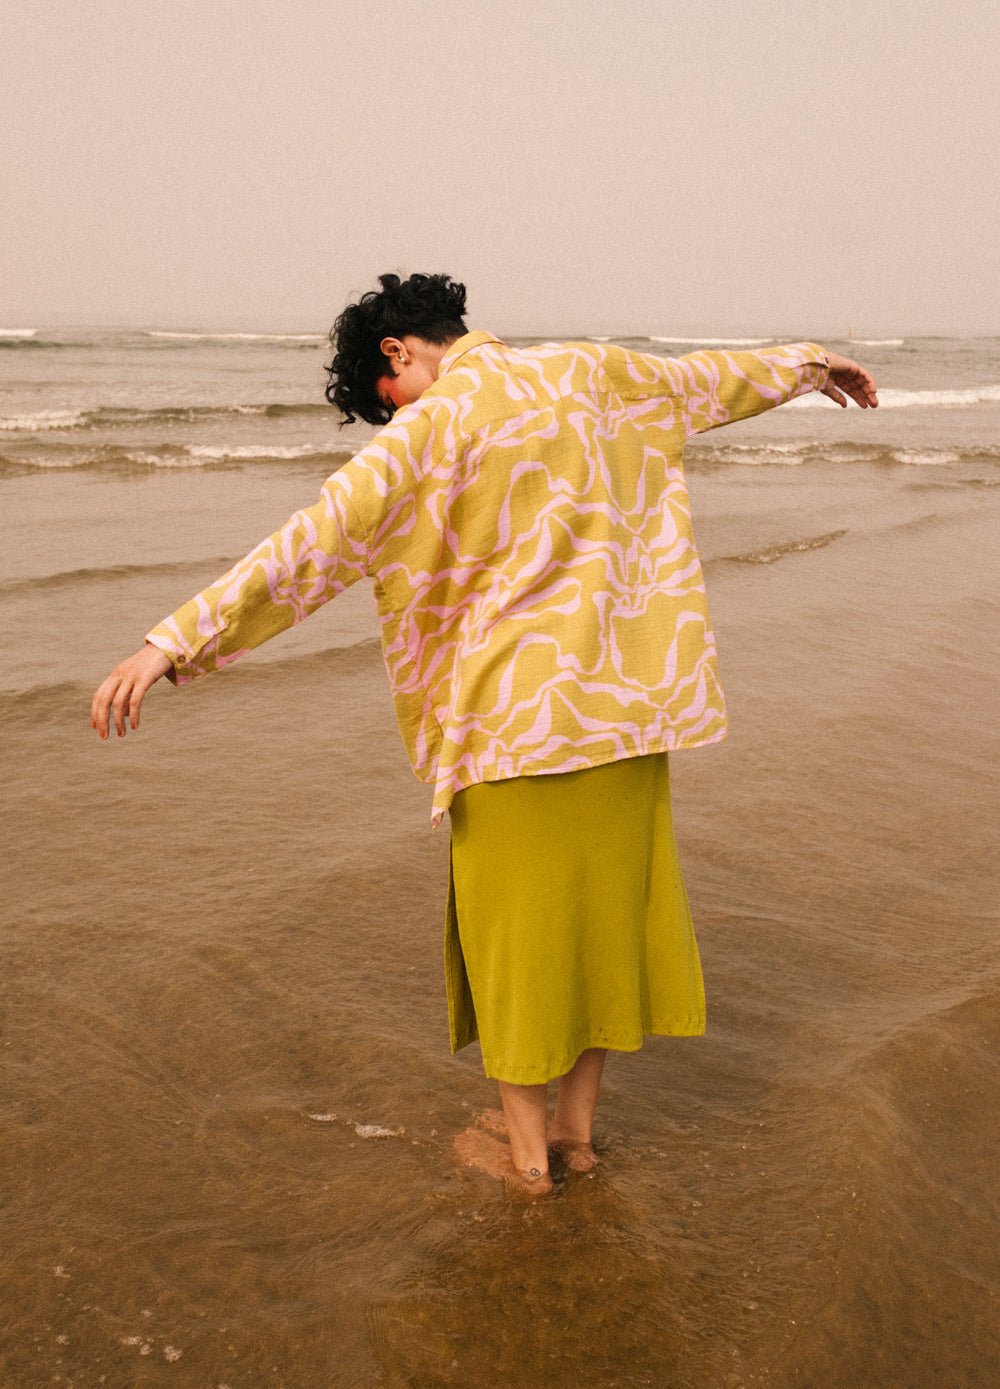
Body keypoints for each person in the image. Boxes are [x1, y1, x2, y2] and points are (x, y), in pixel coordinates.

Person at [91, 272, 878, 1194]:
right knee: (597, 940)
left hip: (511, 729)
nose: (392, 415)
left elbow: (313, 543)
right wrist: (812, 364)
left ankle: (528, 1162)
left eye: (381, 399)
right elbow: (712, 378)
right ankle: (579, 1137)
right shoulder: (593, 372)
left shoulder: (435, 425)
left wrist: (172, 642)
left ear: (397, 351)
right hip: (624, 715)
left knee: (519, 953)